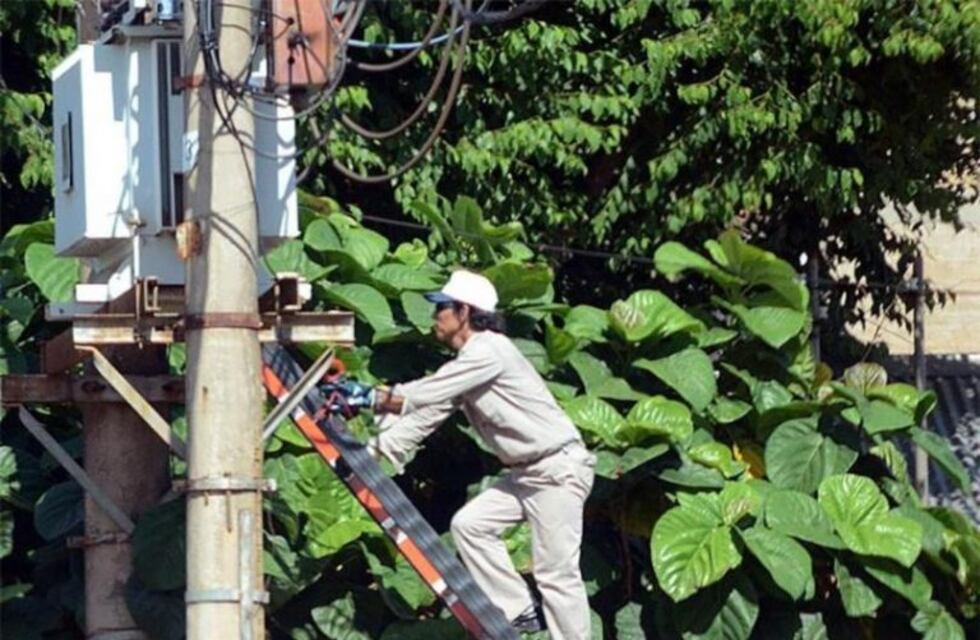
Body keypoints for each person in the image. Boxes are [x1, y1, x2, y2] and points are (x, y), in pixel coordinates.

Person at [332, 269, 595, 639]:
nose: (434, 316)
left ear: (464, 311)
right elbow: (425, 416)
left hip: (556, 471)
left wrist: (368, 396)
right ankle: (518, 609)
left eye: (441, 307)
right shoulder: (470, 365)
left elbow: (425, 393)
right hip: (527, 474)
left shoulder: (490, 350)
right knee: (471, 525)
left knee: (556, 573)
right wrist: (374, 452)